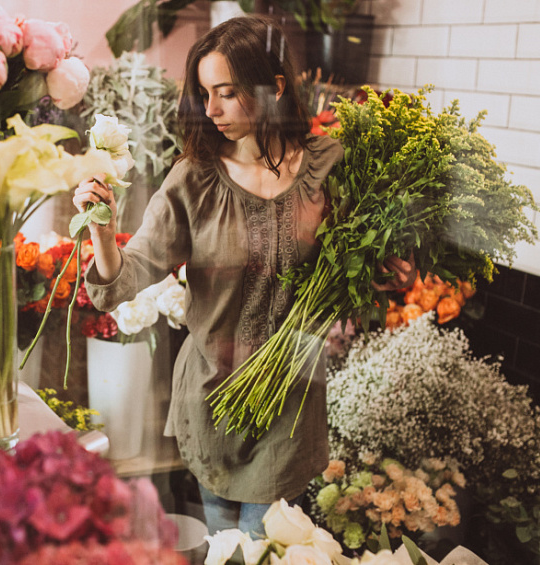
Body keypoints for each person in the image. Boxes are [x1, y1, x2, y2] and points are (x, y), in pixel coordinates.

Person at [74, 15, 414, 536]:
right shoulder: (195, 177)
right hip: (213, 397)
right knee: (225, 544)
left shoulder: (329, 167)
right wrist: (103, 228)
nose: (211, 110)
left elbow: (350, 264)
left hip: (292, 401)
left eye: (227, 93)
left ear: (274, 88)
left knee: (262, 543)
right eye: (205, 93)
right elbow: (126, 276)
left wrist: (387, 269)